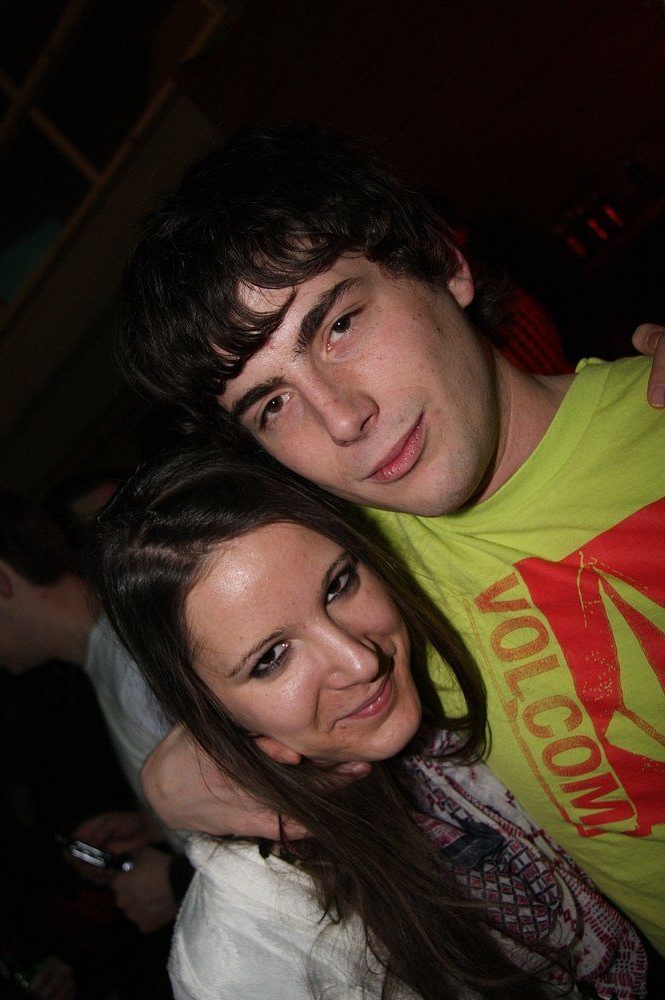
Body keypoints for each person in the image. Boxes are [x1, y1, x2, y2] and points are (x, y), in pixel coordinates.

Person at [118, 124, 665, 952]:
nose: (341, 418)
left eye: (338, 324)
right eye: (272, 404)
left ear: (444, 264)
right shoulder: (347, 573)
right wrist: (169, 782)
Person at [92, 446, 647, 1000]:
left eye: (338, 585)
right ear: (209, 713)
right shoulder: (251, 953)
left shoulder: (455, 653)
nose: (360, 661)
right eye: (271, 658)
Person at [0, 491, 187, 933]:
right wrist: (155, 826)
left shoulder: (133, 661)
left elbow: (292, 803)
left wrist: (176, 881)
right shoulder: (110, 657)